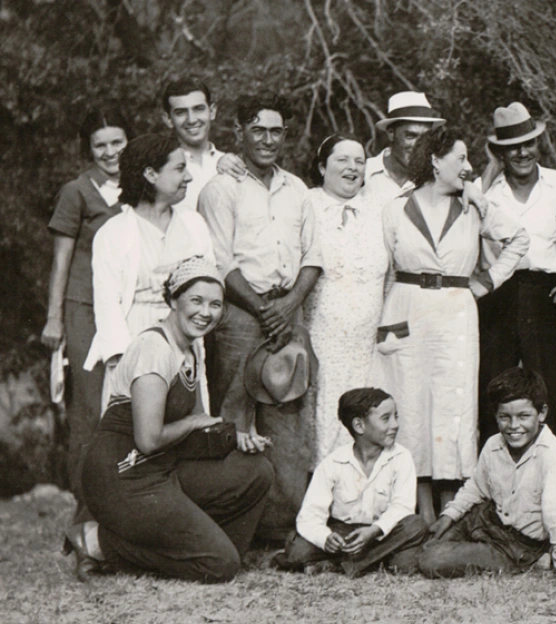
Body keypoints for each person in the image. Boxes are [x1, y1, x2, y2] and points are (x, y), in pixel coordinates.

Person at [64, 256, 274, 583]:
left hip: (161, 468)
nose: (206, 312)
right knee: (220, 565)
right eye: (196, 301)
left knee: (256, 471)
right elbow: (148, 439)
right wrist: (194, 422)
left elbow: (189, 432)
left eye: (216, 304)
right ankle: (97, 542)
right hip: (121, 477)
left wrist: (236, 437)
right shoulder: (154, 348)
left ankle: (205, 550)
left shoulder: (189, 349)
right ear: (174, 300)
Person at [374, 126, 529, 522]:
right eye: (461, 158)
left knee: (452, 407)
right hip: (408, 309)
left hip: (457, 311)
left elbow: (518, 239)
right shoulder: (395, 208)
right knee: (410, 405)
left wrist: (487, 281)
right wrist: (383, 325)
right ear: (435, 161)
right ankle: (418, 511)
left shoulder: (474, 206)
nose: (469, 166)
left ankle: (451, 511)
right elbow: (384, 271)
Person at [198, 94, 322, 540]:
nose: (268, 140)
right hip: (239, 315)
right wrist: (260, 308)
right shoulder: (221, 189)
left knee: (287, 416)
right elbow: (220, 261)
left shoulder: (298, 190)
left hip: (287, 311)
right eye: (258, 130)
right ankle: (233, 529)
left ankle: (281, 528)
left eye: (276, 131)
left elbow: (313, 257)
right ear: (240, 133)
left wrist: (288, 306)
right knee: (235, 415)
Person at [403, 367, 556, 586]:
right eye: (504, 417)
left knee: (432, 559)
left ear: (542, 413)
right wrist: (449, 515)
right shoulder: (493, 445)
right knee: (412, 556)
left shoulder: (551, 454)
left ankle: (534, 559)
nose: (514, 426)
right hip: (486, 520)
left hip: (516, 546)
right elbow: (476, 488)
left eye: (524, 416)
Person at [42, 107, 131, 524]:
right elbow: (60, 261)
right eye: (100, 145)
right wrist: (54, 319)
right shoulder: (77, 191)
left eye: (117, 142)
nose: (110, 151)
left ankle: (125, 515)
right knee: (89, 413)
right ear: (88, 149)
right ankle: (86, 519)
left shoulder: (139, 185)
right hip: (85, 311)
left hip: (128, 309)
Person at [86, 134, 216, 413]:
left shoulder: (194, 225)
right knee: (139, 432)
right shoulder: (113, 233)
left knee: (185, 425)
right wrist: (126, 364)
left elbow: (210, 285)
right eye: (180, 168)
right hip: (135, 338)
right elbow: (107, 306)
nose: (189, 177)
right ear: (150, 174)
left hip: (186, 337)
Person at [478, 102, 556, 441]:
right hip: (497, 300)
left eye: (528, 144)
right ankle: (495, 488)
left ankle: (544, 486)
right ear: (500, 153)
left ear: (539, 144)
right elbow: (464, 225)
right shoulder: (486, 191)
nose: (522, 153)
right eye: (511, 148)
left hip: (544, 295)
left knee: (546, 393)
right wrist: (488, 172)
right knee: (493, 395)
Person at [272, 388, 428, 577]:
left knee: (415, 526)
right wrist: (326, 538)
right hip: (344, 535)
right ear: (359, 426)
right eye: (386, 418)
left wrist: (374, 531)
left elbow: (403, 507)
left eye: (396, 416)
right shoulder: (333, 463)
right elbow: (310, 515)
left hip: (383, 533)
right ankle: (366, 562)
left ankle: (340, 565)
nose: (395, 424)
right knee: (298, 546)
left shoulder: (401, 458)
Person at [301, 135, 389, 461]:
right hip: (322, 334)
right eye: (343, 160)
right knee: (324, 415)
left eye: (359, 161)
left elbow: (393, 271)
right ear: (322, 166)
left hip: (368, 340)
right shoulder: (305, 203)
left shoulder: (380, 207)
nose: (352, 167)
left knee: (365, 412)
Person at [159, 76, 246, 215]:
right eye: (181, 112)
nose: (192, 120)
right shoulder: (161, 169)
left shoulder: (232, 165)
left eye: (198, 109)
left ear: (212, 111)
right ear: (168, 119)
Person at [360, 91, 445, 205]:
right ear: (391, 133)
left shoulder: (437, 178)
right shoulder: (364, 173)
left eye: (425, 138)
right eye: (411, 136)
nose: (418, 145)